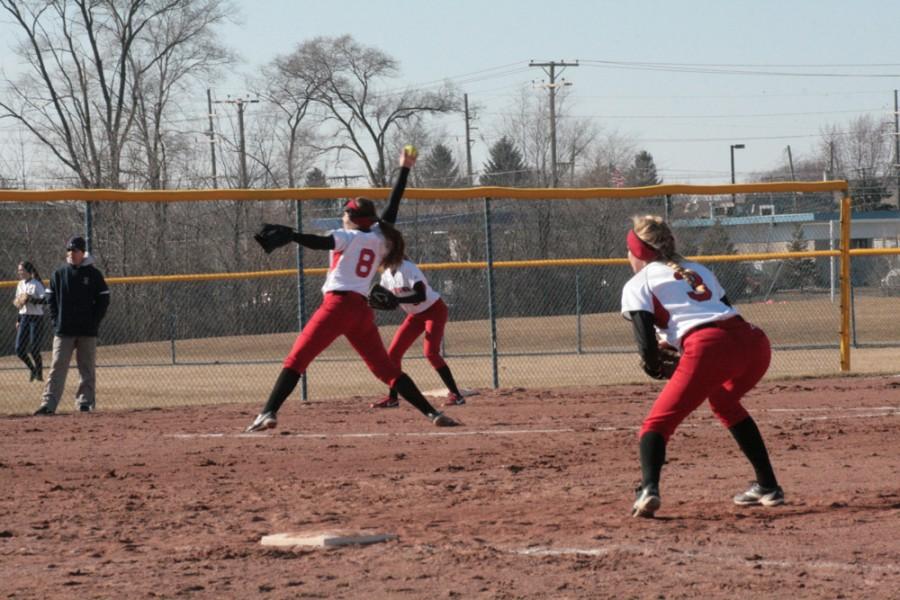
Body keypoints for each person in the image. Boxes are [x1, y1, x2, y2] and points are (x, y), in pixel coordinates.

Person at [246, 147, 457, 432]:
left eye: (345, 213)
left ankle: (268, 412)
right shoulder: (382, 237)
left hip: (337, 307)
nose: (342, 216)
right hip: (361, 311)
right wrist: (405, 168)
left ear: (353, 218)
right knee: (386, 370)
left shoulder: (348, 235)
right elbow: (393, 204)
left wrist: (294, 236)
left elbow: (320, 242)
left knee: (296, 359)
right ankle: (432, 414)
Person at [621, 215, 783, 518]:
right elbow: (717, 311)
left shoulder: (638, 283)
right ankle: (768, 486)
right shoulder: (698, 270)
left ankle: (647, 490)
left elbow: (647, 351)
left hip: (710, 348)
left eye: (629, 250)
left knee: (655, 425)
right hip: (753, 343)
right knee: (725, 402)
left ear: (640, 253)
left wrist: (657, 367)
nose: (627, 256)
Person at [370, 256, 465, 409]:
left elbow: (421, 295)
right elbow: (385, 298)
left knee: (431, 353)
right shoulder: (387, 275)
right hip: (415, 316)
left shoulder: (408, 268)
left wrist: (397, 300)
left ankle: (456, 395)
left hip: (434, 310)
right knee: (393, 354)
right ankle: (392, 399)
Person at [34, 236, 110, 415]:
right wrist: (56, 321)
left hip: (87, 331)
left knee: (87, 369)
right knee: (57, 367)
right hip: (64, 331)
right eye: (69, 250)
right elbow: (50, 299)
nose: (71, 253)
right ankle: (48, 404)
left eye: (74, 250)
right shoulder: (59, 274)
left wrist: (94, 321)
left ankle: (84, 403)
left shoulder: (93, 274)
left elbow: (104, 298)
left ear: (83, 253)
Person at [14, 261, 46, 382]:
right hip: (24, 318)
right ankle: (33, 370)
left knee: (34, 349)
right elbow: (19, 303)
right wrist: (18, 319)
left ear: (28, 271)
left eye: (21, 270)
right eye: (19, 270)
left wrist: (32, 300)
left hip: (36, 318)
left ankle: (39, 374)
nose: (19, 272)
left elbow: (45, 301)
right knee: (19, 349)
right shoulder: (20, 284)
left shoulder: (36, 284)